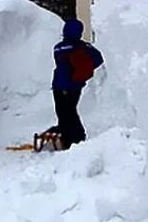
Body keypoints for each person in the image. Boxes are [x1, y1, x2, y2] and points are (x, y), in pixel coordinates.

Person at [43, 18, 103, 150]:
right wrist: (86, 70)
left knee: (63, 112)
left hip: (59, 84)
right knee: (70, 111)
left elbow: (60, 63)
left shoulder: (58, 47)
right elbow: (99, 59)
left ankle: (70, 138)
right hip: (75, 84)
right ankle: (75, 137)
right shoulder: (83, 46)